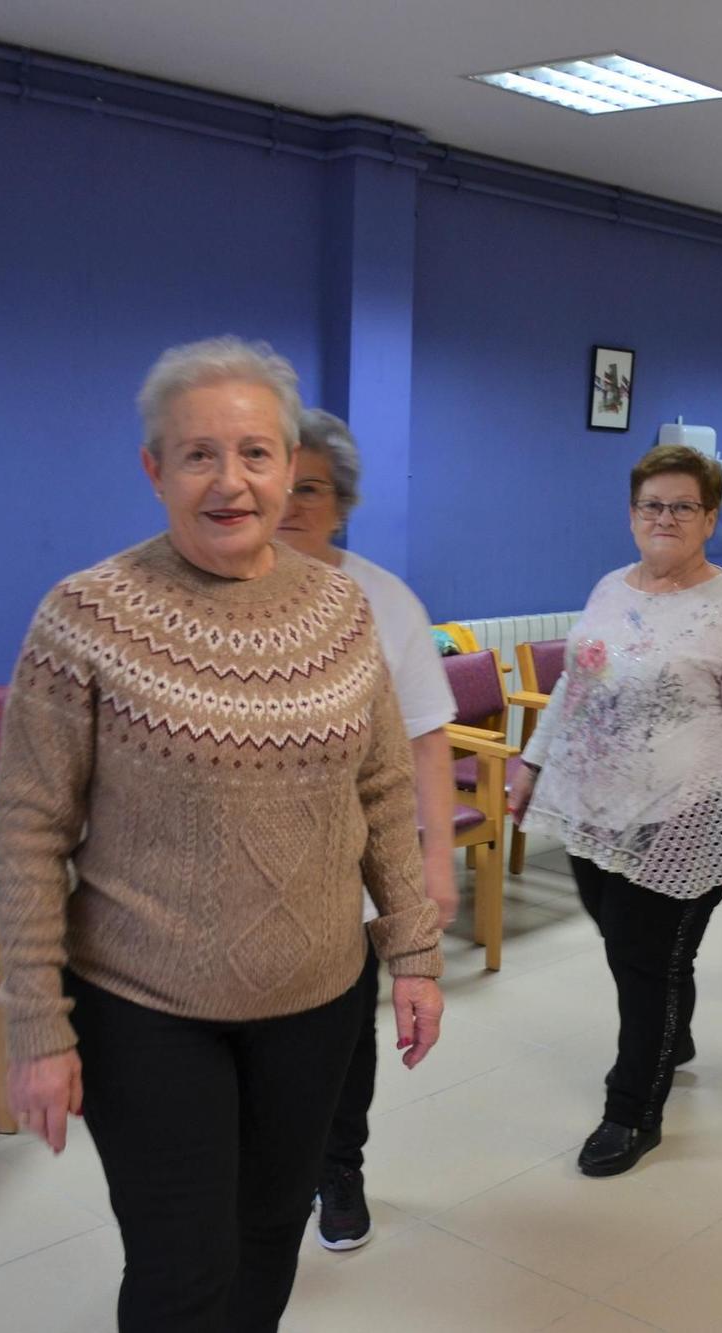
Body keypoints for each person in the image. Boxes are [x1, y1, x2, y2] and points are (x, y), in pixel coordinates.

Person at [0, 337, 446, 1331]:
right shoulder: (84, 617)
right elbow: (28, 832)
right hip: (142, 1006)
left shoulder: (341, 610)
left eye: (254, 453)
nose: (229, 481)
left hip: (315, 998)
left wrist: (412, 951)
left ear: (290, 468)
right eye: (198, 454)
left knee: (266, 1240)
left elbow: (381, 793)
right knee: (180, 1272)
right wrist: (34, 1023)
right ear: (154, 469)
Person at [509, 445, 722, 1176]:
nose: (664, 518)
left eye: (682, 506)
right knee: (629, 946)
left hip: (683, 814)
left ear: (709, 518)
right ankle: (674, 1034)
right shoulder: (610, 587)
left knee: (646, 966)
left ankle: (632, 1108)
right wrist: (532, 761)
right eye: (650, 505)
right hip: (589, 808)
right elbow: (575, 685)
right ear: (632, 514)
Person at [276, 408, 461, 1251]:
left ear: (340, 501)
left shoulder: (385, 602)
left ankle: (337, 1167)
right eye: (273, 477)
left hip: (345, 875)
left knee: (344, 1037)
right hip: (227, 890)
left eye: (308, 486)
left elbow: (426, 745)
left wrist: (434, 868)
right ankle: (259, 1173)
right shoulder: (195, 592)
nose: (286, 500)